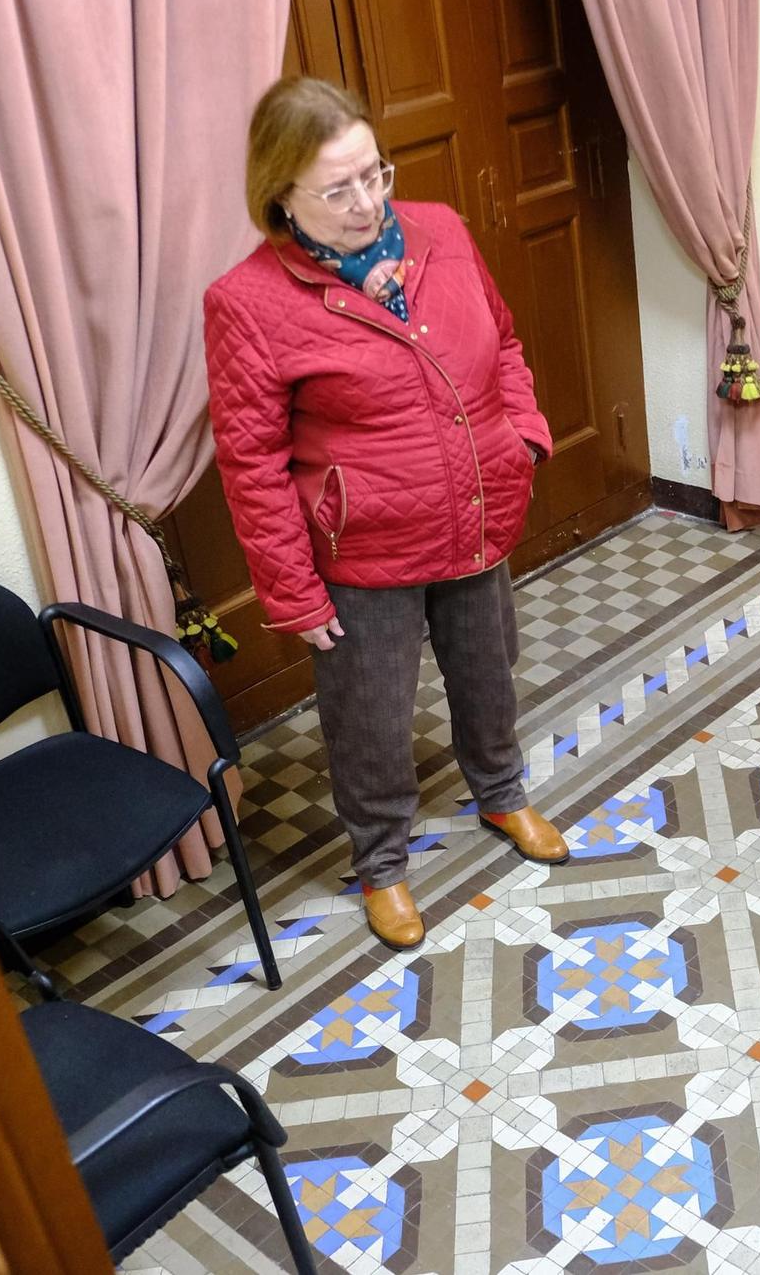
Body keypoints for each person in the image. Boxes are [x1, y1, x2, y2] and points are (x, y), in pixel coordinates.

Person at [204, 78, 571, 954]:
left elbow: (506, 340)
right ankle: (382, 864)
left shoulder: (442, 230)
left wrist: (521, 431)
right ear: (280, 197)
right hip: (361, 545)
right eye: (338, 190)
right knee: (369, 714)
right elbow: (251, 466)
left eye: (375, 174)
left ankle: (503, 791)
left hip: (475, 509)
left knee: (490, 668)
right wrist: (294, 594)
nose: (368, 202)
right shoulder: (247, 303)